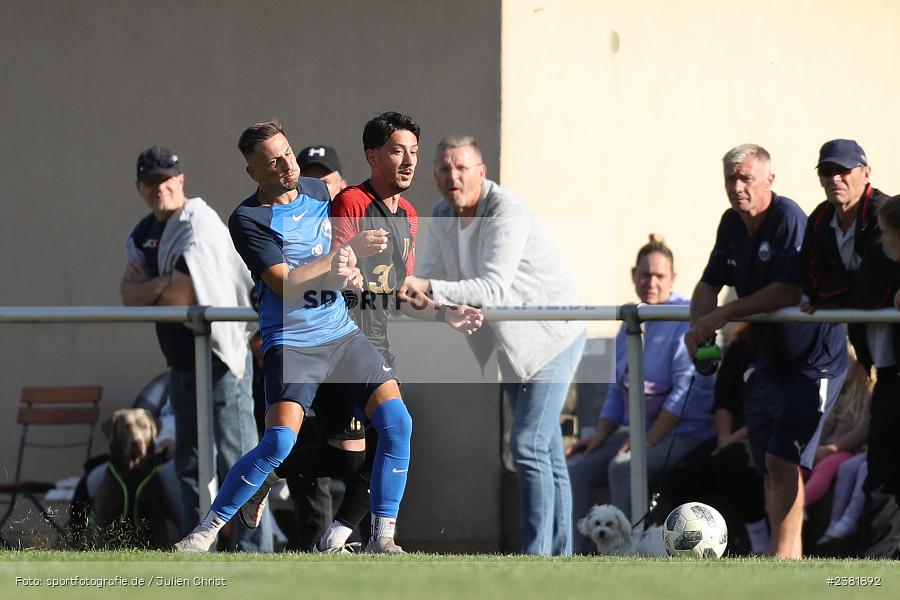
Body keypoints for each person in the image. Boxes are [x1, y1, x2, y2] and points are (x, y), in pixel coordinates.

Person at [174, 120, 416, 554]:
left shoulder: (323, 192)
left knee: (397, 423)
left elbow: (355, 218)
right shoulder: (248, 218)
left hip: (341, 334)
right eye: (273, 161)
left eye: (287, 153)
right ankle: (204, 534)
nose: (287, 165)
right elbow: (286, 283)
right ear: (253, 173)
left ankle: (383, 538)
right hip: (293, 341)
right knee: (280, 441)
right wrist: (343, 256)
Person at [264, 114, 482, 553]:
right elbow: (336, 265)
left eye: (414, 153)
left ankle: (346, 532)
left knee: (363, 454)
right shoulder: (351, 203)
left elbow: (399, 289)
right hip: (337, 342)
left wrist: (444, 315)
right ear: (372, 155)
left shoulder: (412, 217)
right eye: (397, 151)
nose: (408, 161)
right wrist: (348, 269)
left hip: (375, 345)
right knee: (382, 438)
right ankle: (358, 531)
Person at [404, 135, 586, 556]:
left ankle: (537, 557)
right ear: (435, 177)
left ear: (481, 173)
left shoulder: (508, 210)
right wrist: (414, 296)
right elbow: (426, 284)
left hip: (554, 337)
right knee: (547, 451)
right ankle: (562, 557)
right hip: (509, 347)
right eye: (445, 169)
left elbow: (491, 286)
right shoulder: (441, 214)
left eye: (462, 168)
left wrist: (427, 287)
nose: (454, 177)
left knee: (526, 444)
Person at [684, 143, 848, 559]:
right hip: (769, 361)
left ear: (769, 181)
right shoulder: (731, 223)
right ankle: (783, 557)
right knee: (769, 466)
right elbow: (708, 284)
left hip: (813, 361)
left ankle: (786, 557)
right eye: (730, 179)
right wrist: (699, 327)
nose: (737, 187)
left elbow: (787, 290)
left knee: (783, 462)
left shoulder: (788, 218)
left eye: (745, 178)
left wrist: (722, 316)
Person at [119, 146, 271, 552]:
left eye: (167, 179)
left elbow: (178, 296)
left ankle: (255, 554)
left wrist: (153, 286)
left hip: (223, 359)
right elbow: (126, 294)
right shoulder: (142, 233)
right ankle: (194, 548)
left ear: (180, 180)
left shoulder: (199, 222)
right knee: (188, 464)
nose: (160, 188)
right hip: (182, 365)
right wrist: (162, 284)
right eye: (151, 182)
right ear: (140, 188)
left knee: (240, 462)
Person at [567, 235, 715, 553]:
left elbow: (682, 392)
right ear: (634, 274)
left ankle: (630, 553)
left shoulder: (682, 318)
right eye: (645, 274)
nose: (651, 282)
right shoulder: (630, 321)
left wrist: (646, 441)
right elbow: (615, 391)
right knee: (578, 466)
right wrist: (599, 435)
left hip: (683, 434)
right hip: (636, 432)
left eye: (659, 275)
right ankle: (575, 555)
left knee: (623, 468)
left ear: (672, 279)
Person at [801, 140, 900, 558]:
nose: (834, 178)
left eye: (843, 170)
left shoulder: (884, 211)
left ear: (865, 172)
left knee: (883, 465)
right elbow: (812, 278)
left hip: (889, 366)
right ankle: (877, 565)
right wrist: (832, 295)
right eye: (827, 171)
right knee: (882, 465)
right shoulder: (822, 219)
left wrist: (828, 296)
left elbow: (870, 289)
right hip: (888, 368)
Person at [661, 322, 769, 555]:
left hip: (765, 432)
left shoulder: (787, 343)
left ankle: (761, 544)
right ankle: (688, 546)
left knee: (731, 461)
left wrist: (730, 441)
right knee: (682, 474)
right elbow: (723, 400)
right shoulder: (741, 344)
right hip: (729, 435)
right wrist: (723, 438)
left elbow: (772, 409)